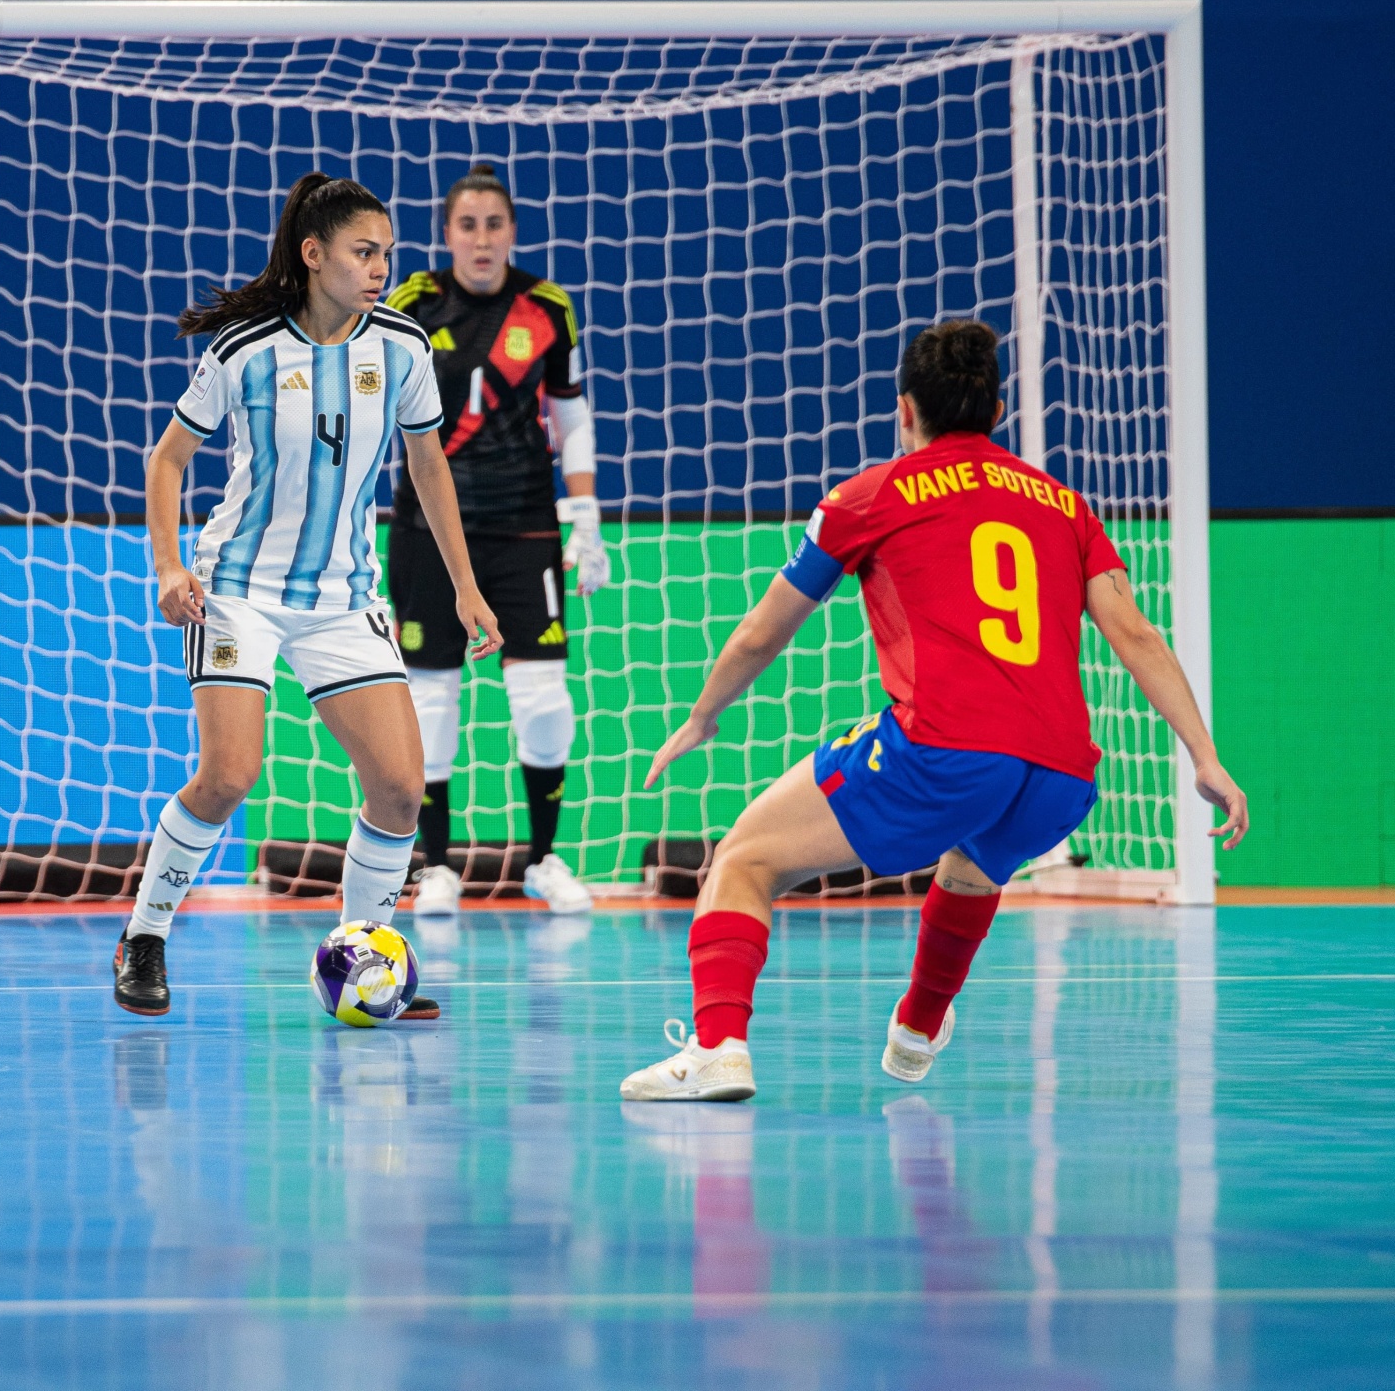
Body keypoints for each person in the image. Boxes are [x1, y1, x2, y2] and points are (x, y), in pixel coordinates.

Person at [620, 319, 1248, 1101]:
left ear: (905, 409)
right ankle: (918, 1024)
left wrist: (704, 715)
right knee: (974, 862)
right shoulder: (1065, 505)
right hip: (1061, 776)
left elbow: (760, 634)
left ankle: (717, 1048)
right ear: (998, 411)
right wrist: (1206, 757)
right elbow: (1136, 633)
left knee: (744, 858)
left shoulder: (871, 495)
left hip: (943, 752)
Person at [117, 172, 502, 1019]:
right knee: (229, 775)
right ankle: (144, 935)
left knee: (399, 788)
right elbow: (167, 460)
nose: (381, 268)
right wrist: (170, 569)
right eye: (364, 252)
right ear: (314, 254)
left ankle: (364, 956)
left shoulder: (402, 347)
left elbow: (428, 466)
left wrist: (467, 588)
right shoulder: (246, 350)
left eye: (388, 253)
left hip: (342, 596)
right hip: (238, 590)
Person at [383, 163, 607, 917]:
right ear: (447, 235)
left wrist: (586, 519)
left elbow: (570, 415)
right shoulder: (413, 304)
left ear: (512, 232)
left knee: (543, 700)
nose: (481, 239)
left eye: (494, 224)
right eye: (467, 225)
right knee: (431, 700)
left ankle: (544, 860)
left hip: (525, 527)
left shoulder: (547, 308)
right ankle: (437, 867)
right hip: (429, 532)